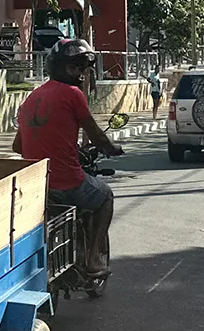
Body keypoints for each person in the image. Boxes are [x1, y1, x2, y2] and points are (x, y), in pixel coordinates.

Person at [13, 38, 122, 277]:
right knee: (105, 197)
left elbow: (17, 146)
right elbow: (96, 136)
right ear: (62, 68)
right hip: (66, 181)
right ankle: (93, 258)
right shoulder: (72, 94)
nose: (82, 73)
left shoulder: (31, 98)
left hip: (38, 185)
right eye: (76, 67)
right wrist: (113, 149)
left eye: (83, 67)